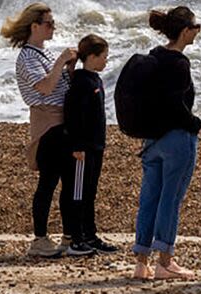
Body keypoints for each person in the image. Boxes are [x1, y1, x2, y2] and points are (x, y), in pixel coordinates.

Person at [0, 3, 82, 258]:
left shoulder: (43, 54)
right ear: (34, 26)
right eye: (48, 23)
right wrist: (61, 62)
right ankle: (40, 239)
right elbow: (45, 88)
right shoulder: (27, 57)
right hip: (47, 126)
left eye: (53, 22)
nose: (53, 27)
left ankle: (69, 236)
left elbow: (58, 84)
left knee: (69, 182)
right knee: (48, 183)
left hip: (62, 124)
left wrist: (68, 68)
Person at [131, 6, 201, 280]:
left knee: (149, 198)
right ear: (185, 31)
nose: (197, 31)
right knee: (170, 200)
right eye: (195, 26)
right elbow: (176, 105)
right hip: (176, 139)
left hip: (152, 139)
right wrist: (194, 123)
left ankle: (141, 262)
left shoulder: (154, 57)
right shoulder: (179, 63)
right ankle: (166, 261)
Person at [63, 34, 119, 256]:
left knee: (90, 193)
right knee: (77, 194)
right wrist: (76, 146)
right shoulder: (80, 81)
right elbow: (72, 115)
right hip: (81, 149)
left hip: (96, 146)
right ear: (92, 56)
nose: (106, 61)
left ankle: (90, 235)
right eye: (104, 56)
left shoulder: (96, 79)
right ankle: (76, 240)